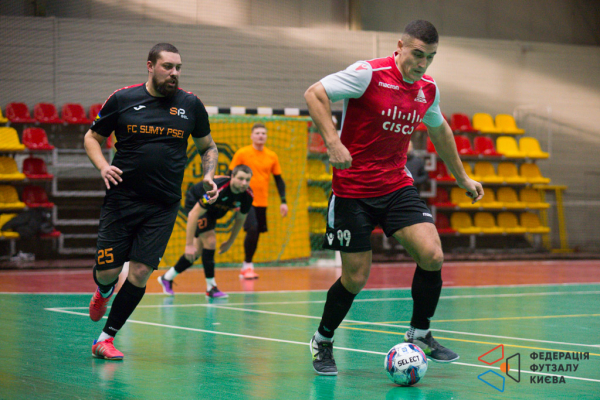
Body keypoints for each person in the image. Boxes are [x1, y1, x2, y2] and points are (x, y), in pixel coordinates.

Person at [304, 20, 484, 375]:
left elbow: (440, 130)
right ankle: (322, 339)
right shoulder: (367, 74)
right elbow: (314, 94)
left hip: (396, 185)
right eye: (417, 54)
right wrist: (333, 142)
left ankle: (420, 332)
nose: (422, 63)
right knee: (356, 278)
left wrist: (462, 177)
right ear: (400, 47)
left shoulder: (427, 89)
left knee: (432, 254)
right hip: (353, 191)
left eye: (430, 57)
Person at [84, 43, 219, 360]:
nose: (174, 73)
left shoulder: (190, 104)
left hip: (162, 205)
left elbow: (208, 147)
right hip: (122, 200)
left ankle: (105, 338)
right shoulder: (123, 99)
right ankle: (104, 290)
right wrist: (102, 166)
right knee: (108, 271)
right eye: (168, 66)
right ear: (150, 66)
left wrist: (209, 174)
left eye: (178, 68)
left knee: (141, 271)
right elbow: (92, 137)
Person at [157, 165, 254, 298]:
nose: (244, 183)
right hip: (195, 202)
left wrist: (230, 242)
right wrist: (188, 244)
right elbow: (193, 214)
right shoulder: (217, 189)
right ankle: (211, 287)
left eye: (247, 180)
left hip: (212, 211)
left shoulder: (247, 195)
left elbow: (240, 219)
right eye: (240, 178)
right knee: (210, 240)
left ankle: (167, 278)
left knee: (196, 252)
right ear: (232, 177)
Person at [228, 123, 288, 279]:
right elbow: (230, 175)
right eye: (257, 133)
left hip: (262, 201)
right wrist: (233, 198)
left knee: (256, 234)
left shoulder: (272, 156)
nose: (261, 136)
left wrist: (283, 201)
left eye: (263, 133)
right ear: (251, 136)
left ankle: (246, 265)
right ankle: (247, 266)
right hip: (244, 199)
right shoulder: (242, 153)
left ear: (266, 136)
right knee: (253, 228)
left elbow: (279, 180)